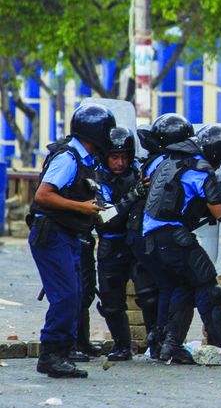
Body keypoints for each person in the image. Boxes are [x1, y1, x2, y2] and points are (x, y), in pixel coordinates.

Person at [142, 124, 221, 365]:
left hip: (153, 240)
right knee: (211, 289)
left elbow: (190, 202)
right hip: (174, 238)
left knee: (185, 289)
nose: (220, 165)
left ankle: (170, 348)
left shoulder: (170, 161)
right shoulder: (201, 170)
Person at [27, 102, 116, 378]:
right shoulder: (68, 158)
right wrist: (82, 208)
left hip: (67, 234)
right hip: (51, 234)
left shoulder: (86, 161)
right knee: (65, 295)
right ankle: (51, 355)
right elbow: (43, 195)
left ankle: (62, 352)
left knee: (75, 294)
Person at [126, 114, 194, 359]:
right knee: (170, 285)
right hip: (148, 232)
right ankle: (163, 339)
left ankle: (158, 341)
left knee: (155, 289)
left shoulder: (154, 160)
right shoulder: (166, 163)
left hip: (138, 231)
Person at [94, 127, 151, 361]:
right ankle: (122, 346)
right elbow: (107, 218)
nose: (119, 162)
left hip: (136, 243)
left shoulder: (139, 169)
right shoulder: (97, 178)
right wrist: (133, 195)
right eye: (114, 157)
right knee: (111, 301)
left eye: (123, 157)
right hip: (110, 243)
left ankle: (155, 342)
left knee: (149, 295)